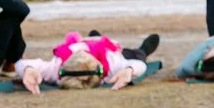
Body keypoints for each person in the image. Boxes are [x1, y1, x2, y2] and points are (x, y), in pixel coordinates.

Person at [17, 32, 149, 94]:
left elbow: (20, 64)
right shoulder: (112, 68)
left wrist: (28, 69)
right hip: (108, 49)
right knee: (138, 55)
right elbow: (139, 65)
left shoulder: (55, 69)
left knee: (95, 35)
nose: (82, 54)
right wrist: (129, 70)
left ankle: (95, 34)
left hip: (89, 43)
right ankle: (145, 48)